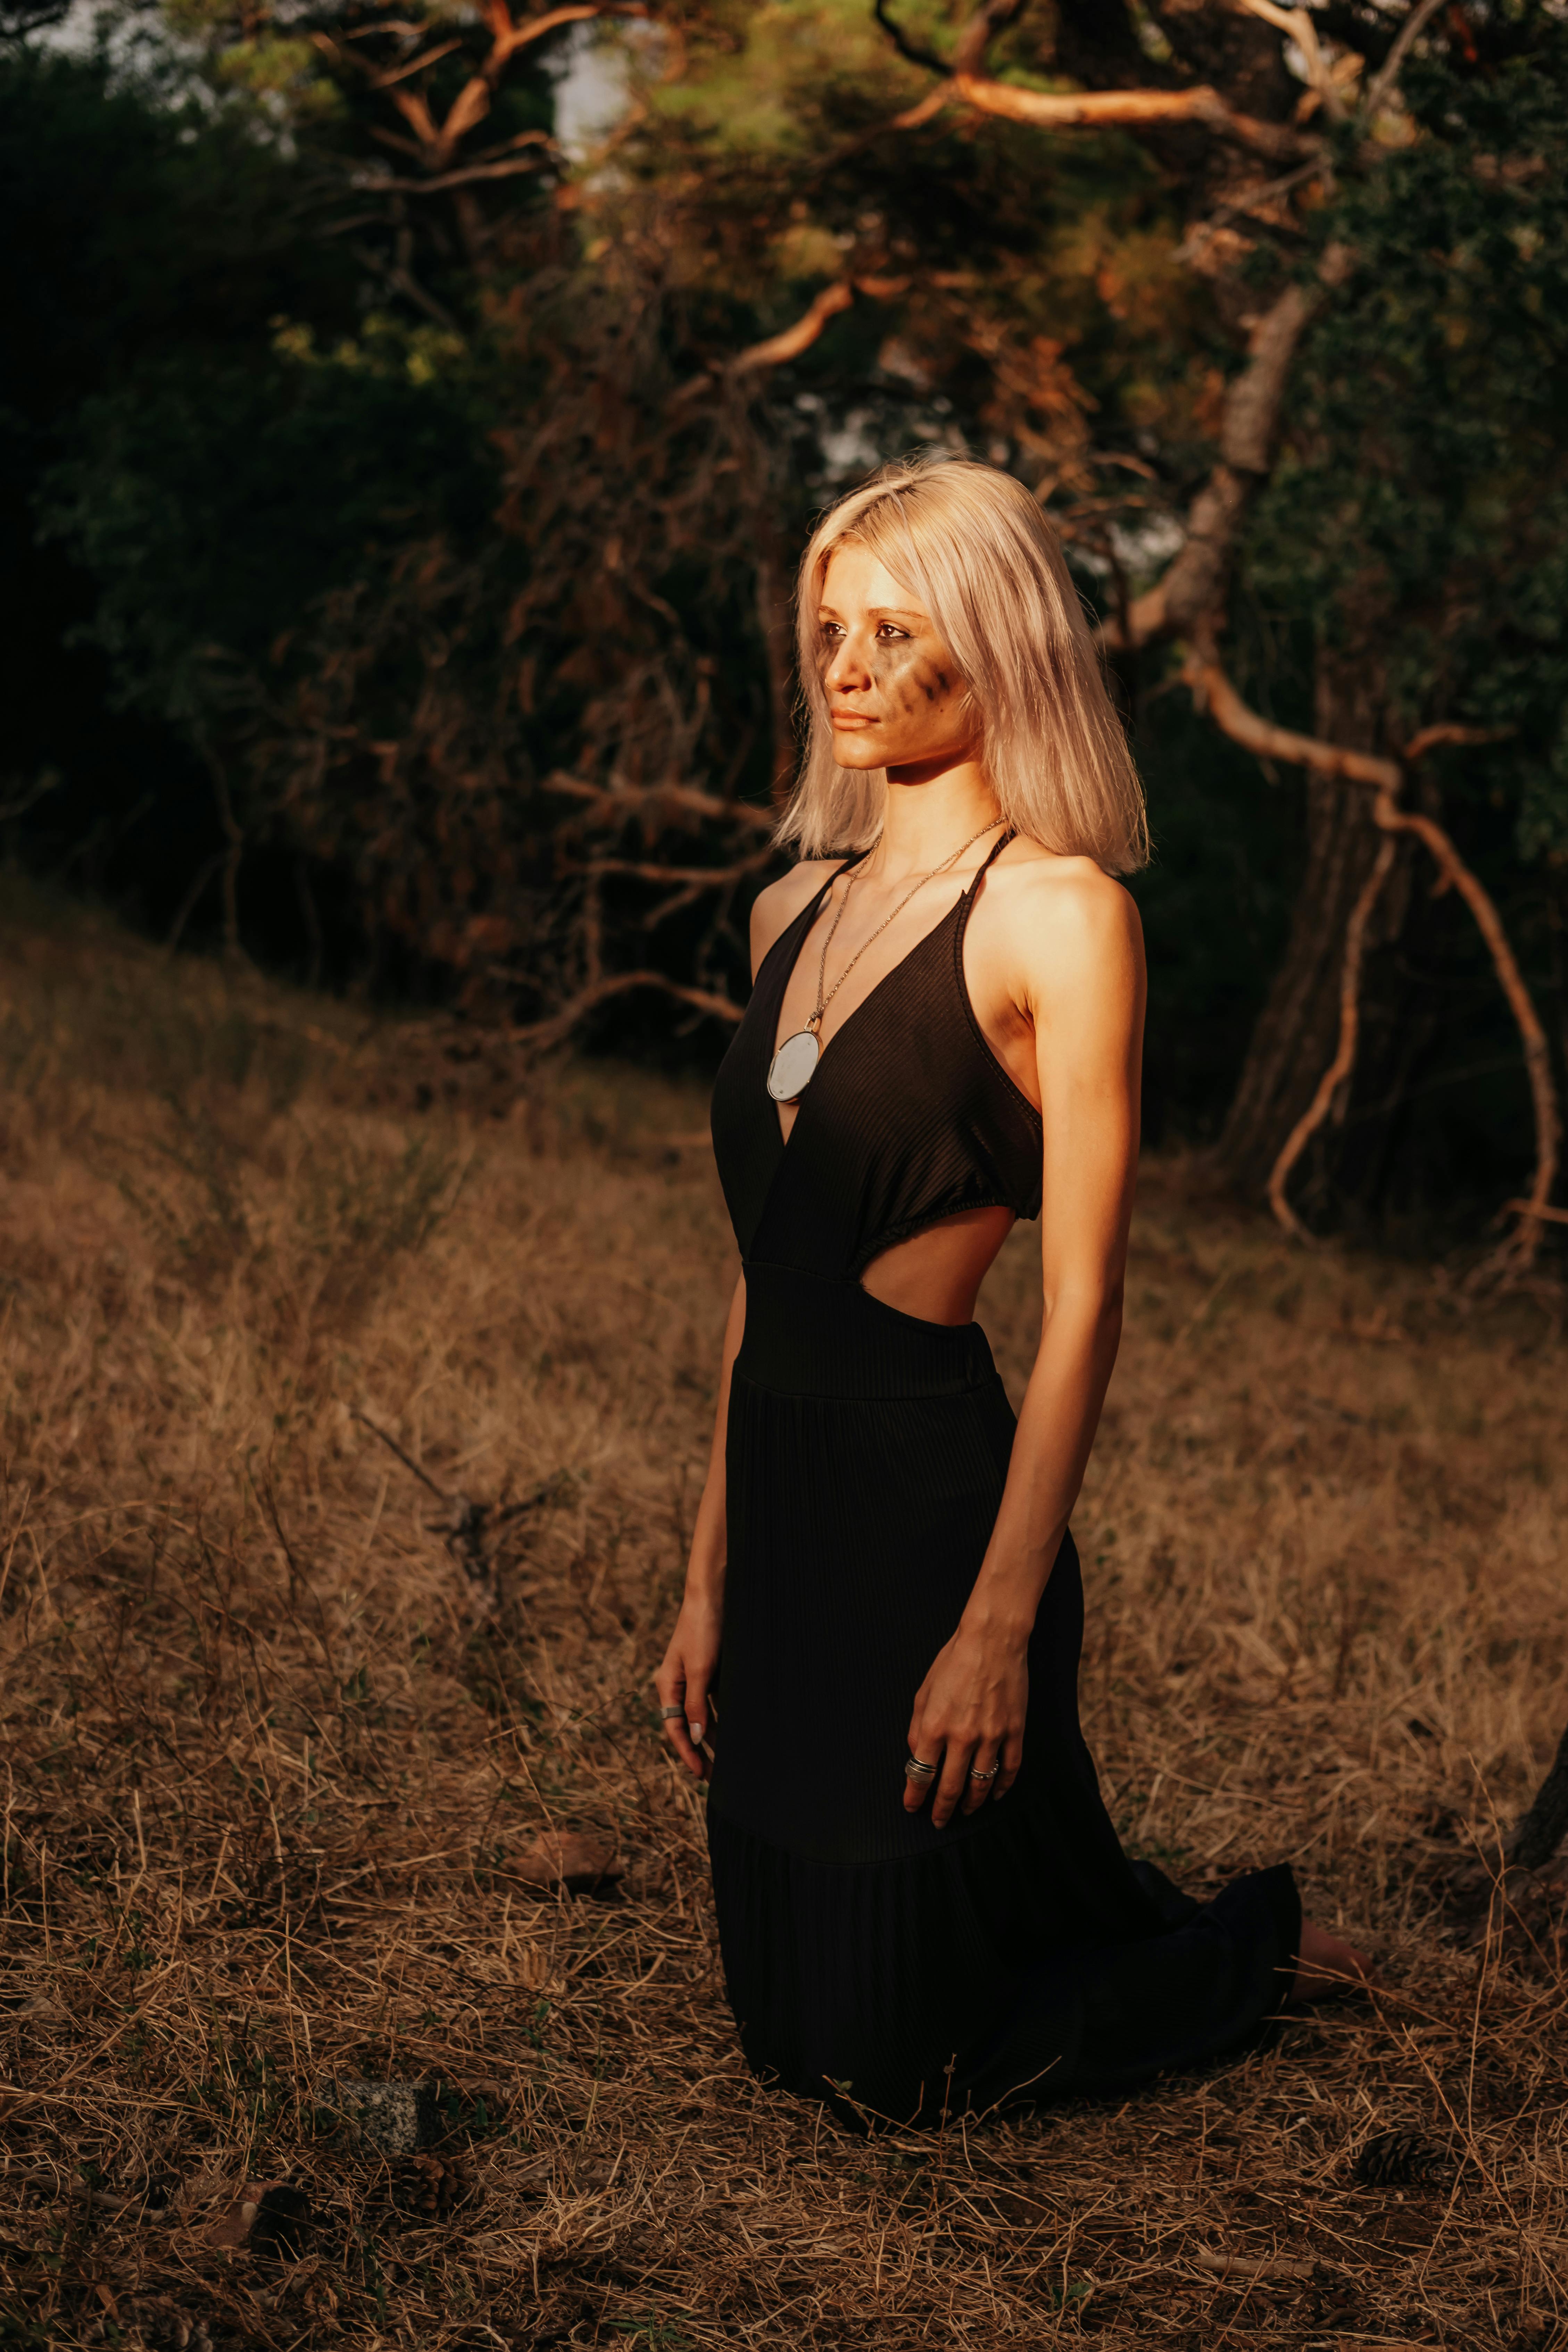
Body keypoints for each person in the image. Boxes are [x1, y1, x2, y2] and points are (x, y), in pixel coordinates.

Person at [654, 454, 1368, 2131]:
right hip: (786, 1509)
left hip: (929, 1511)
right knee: (792, 2034)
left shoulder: (1061, 916)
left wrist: (994, 1625)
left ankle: (1247, 1956)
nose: (846, 666)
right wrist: (706, 1582)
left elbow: (1089, 1301)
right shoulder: (781, 911)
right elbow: (765, 1282)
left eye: (899, 633)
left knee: (905, 2066)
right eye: (830, 627)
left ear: (1002, 652)